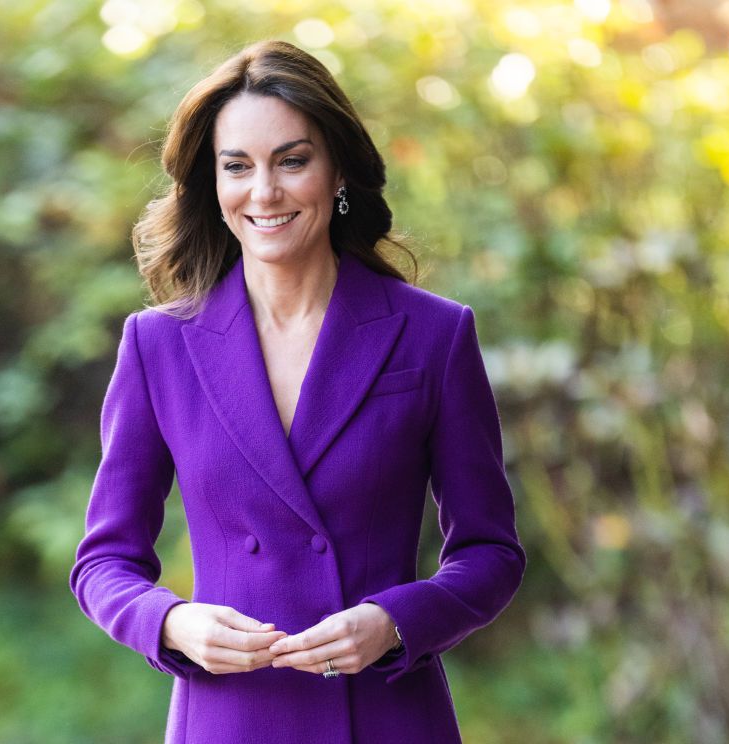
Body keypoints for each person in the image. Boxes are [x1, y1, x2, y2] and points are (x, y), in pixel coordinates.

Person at [69, 39, 526, 744]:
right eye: (237, 167)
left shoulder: (433, 334)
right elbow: (104, 562)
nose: (264, 192)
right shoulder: (158, 345)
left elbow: (492, 552)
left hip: (387, 715)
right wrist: (172, 622)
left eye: (292, 160)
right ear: (212, 183)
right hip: (230, 717)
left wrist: (398, 620)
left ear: (336, 168)